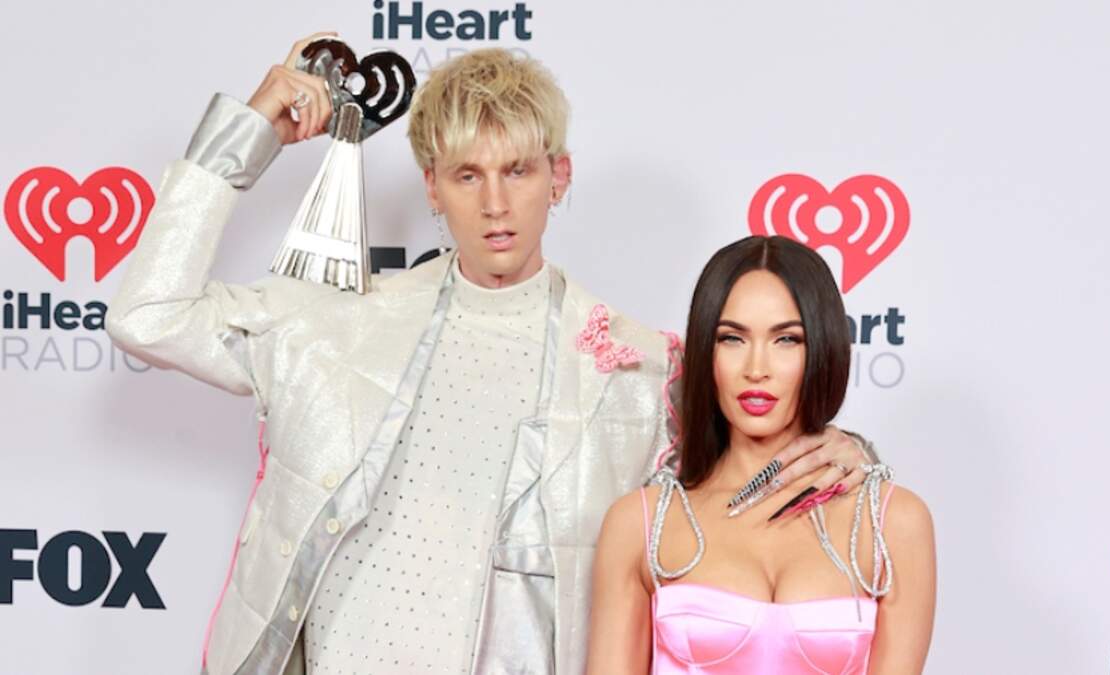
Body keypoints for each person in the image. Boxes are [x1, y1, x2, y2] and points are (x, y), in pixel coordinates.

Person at [105, 32, 876, 675]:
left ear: (559, 177)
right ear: (432, 187)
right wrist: (249, 134)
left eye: (518, 170)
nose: (496, 204)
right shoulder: (333, 323)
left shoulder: (639, 372)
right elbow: (147, 315)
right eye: (467, 175)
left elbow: (736, 500)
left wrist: (844, 452)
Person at [587, 235, 936, 674]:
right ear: (706, 351)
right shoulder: (639, 524)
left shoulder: (894, 522)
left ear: (823, 348)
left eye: (786, 339)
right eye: (732, 338)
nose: (756, 369)